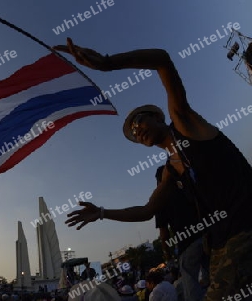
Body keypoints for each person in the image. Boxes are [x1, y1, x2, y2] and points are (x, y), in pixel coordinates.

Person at [55, 37, 252, 300]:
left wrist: (107, 63)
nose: (137, 131)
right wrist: (101, 212)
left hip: (244, 225)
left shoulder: (185, 124)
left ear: (158, 117)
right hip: (220, 240)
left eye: (138, 121)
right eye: (133, 133)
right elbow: (147, 211)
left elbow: (162, 59)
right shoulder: (170, 169)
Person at [154, 165, 209, 301]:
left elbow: (164, 234)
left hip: (187, 244)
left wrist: (168, 256)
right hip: (206, 236)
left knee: (191, 284)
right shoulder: (188, 186)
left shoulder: (160, 201)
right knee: (214, 276)